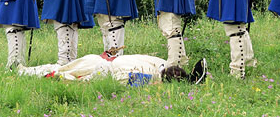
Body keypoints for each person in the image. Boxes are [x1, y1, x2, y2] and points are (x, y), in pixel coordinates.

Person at [18, 53, 207, 86]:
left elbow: (123, 80)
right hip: (100, 62)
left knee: (61, 74)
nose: (174, 71)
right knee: (60, 69)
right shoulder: (159, 62)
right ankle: (22, 71)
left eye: (175, 75)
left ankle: (24, 73)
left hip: (102, 72)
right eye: (177, 70)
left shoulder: (150, 78)